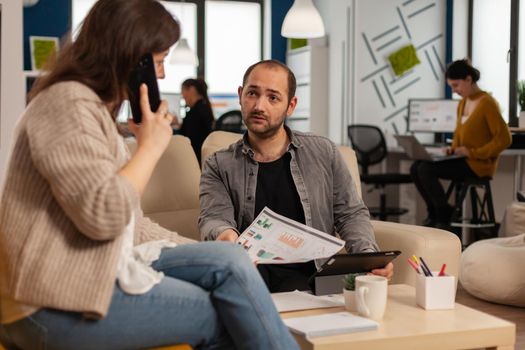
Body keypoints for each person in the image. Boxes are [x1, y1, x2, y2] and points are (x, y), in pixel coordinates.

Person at [0, 2, 299, 349]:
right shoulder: (66, 104)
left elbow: (133, 227)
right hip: (45, 303)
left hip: (79, 277)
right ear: (131, 57)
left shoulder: (90, 110)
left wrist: (217, 254)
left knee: (231, 259)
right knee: (221, 314)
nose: (160, 76)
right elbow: (104, 218)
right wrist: (149, 148)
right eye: (157, 62)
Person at [199, 59, 393, 293]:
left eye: (273, 97)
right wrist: (225, 236)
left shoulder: (323, 151)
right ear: (241, 95)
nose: (259, 105)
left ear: (291, 106)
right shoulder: (219, 164)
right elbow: (214, 218)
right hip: (251, 282)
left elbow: (350, 214)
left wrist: (368, 257)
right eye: (252, 93)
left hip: (317, 281)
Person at [410, 59, 511, 228]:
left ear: (469, 79)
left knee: (425, 169)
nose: (454, 91)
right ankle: (436, 211)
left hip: (478, 164)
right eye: (452, 86)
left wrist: (472, 152)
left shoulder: (487, 103)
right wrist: (452, 149)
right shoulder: (463, 103)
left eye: (456, 85)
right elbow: (459, 133)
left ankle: (442, 213)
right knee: (415, 167)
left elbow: (504, 139)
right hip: (463, 159)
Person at [172, 78, 214, 163]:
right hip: (203, 157)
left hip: (194, 157)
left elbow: (186, 138)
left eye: (183, 91)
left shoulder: (195, 112)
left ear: (191, 90)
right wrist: (178, 124)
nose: (182, 96)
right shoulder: (204, 107)